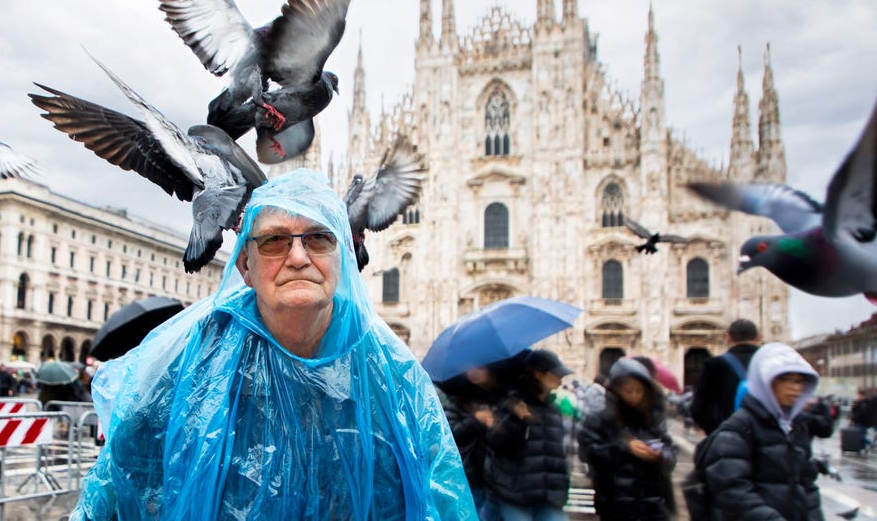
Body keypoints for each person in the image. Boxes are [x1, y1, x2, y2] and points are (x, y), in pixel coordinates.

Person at [71, 170, 475, 520]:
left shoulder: (393, 373)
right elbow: (115, 488)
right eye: (274, 241)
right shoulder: (186, 360)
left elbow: (441, 496)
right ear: (245, 266)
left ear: (342, 258)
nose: (298, 256)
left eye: (318, 238)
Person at [701, 342, 824, 521]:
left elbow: (808, 485)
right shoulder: (738, 429)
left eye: (799, 381)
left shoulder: (795, 427)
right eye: (785, 378)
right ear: (765, 381)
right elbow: (731, 489)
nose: (795, 387)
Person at [578, 357, 676, 520]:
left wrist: (661, 456)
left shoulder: (652, 419)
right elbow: (588, 454)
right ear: (616, 390)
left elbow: (670, 453)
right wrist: (624, 448)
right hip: (616, 506)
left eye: (639, 390)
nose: (634, 396)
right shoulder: (600, 419)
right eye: (628, 391)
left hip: (653, 506)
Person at [484, 349, 572, 521]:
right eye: (556, 374)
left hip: (549, 494)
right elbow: (495, 441)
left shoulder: (553, 409)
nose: (561, 379)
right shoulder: (512, 404)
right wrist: (516, 419)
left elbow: (558, 453)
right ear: (538, 374)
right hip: (516, 494)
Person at [439, 350, 528, 518]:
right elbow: (451, 434)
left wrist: (512, 416)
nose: (473, 371)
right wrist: (475, 420)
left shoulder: (502, 396)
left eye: (478, 366)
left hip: (501, 478)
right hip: (470, 475)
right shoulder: (456, 398)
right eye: (468, 367)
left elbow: (512, 437)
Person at [691, 318, 761, 433]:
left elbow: (698, 409)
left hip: (728, 434)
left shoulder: (714, 365)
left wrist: (717, 431)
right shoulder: (770, 364)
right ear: (758, 337)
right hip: (764, 438)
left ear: (728, 337)